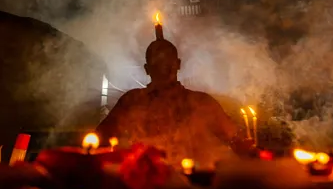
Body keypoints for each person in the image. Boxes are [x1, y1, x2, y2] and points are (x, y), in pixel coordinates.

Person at [96, 38, 240, 168]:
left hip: (191, 182)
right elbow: (99, 138)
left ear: (178, 64)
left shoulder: (201, 102)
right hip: (146, 180)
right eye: (158, 63)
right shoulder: (132, 101)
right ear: (147, 69)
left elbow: (233, 138)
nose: (164, 68)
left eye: (168, 62)